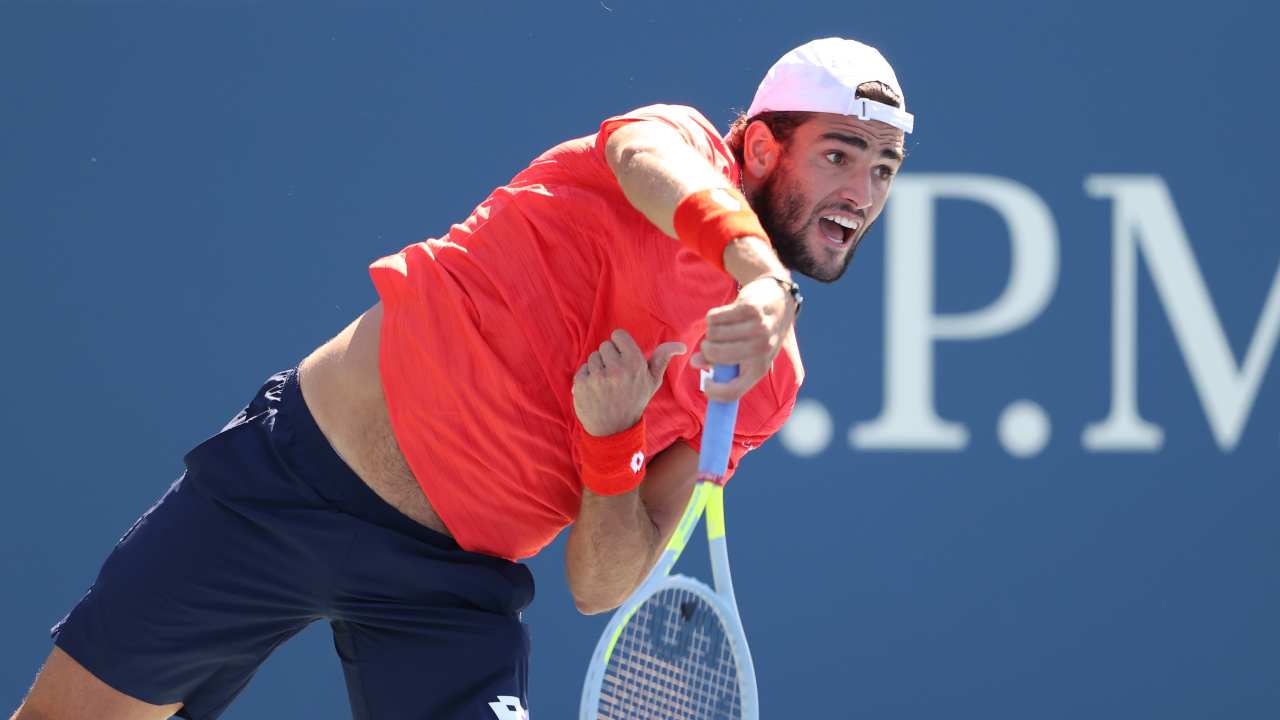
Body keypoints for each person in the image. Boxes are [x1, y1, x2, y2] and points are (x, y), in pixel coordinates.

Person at [11, 36, 913, 720]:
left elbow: (602, 585)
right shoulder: (670, 142)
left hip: (448, 593)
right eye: (838, 154)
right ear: (757, 148)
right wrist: (759, 273)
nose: (862, 192)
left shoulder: (765, 382)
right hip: (288, 488)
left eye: (882, 169)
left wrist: (611, 444)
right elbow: (652, 166)